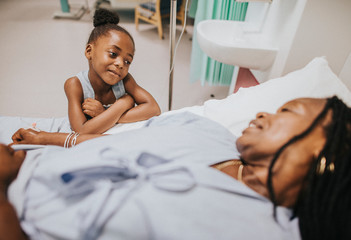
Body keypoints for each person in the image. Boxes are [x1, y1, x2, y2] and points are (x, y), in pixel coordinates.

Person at [6, 96, 351, 239]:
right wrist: (43, 139)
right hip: (22, 162)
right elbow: (111, 144)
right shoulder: (204, 130)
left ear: (330, 149)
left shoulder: (264, 232)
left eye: (286, 113)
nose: (262, 114)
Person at [64, 8, 160, 134]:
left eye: (127, 61)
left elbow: (154, 108)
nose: (121, 64)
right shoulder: (74, 85)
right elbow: (81, 132)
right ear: (89, 51)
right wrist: (123, 103)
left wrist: (104, 113)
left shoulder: (125, 80)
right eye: (113, 54)